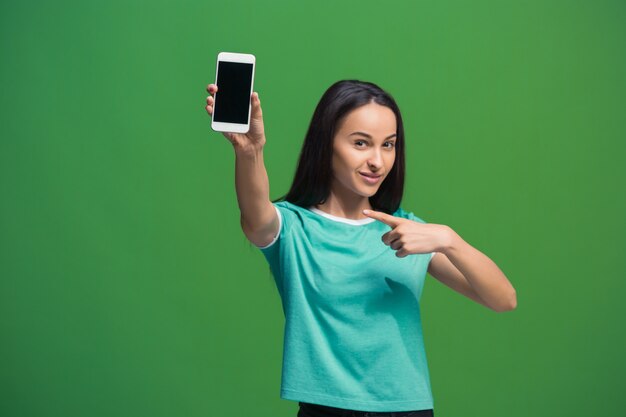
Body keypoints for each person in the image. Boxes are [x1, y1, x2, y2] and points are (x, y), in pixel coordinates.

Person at [205, 79, 517, 417]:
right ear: (326, 145)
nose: (378, 161)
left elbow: (503, 300)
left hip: (409, 409)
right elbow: (255, 215)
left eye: (389, 145)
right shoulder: (292, 227)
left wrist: (449, 239)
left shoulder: (410, 232)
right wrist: (250, 151)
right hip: (326, 410)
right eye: (361, 143)